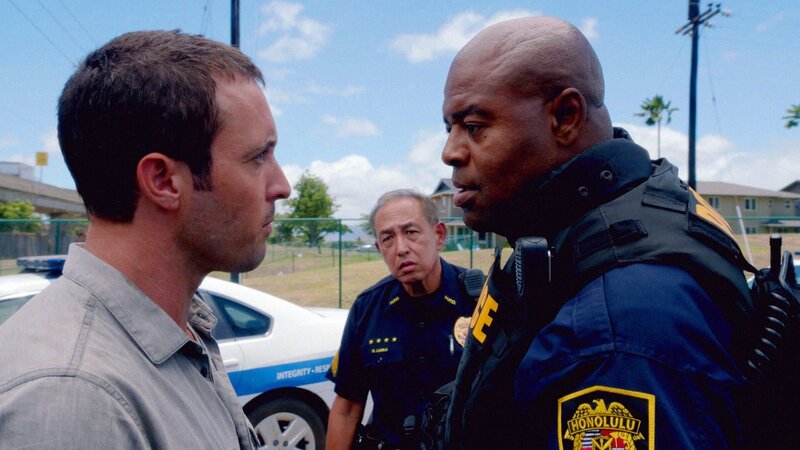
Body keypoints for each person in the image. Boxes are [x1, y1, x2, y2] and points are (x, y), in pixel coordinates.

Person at [440, 16, 757, 449]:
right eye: (450, 128)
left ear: (565, 117)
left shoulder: (615, 324)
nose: (450, 152)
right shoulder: (588, 229)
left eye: (474, 127)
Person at [0, 30, 290, 448]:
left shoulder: (181, 327)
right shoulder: (73, 399)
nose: (281, 185)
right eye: (258, 156)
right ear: (163, 180)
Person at [326, 190, 480, 450]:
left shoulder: (480, 300)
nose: (401, 248)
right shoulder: (367, 309)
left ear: (439, 235)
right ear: (379, 248)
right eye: (388, 238)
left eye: (411, 233)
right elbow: (347, 406)